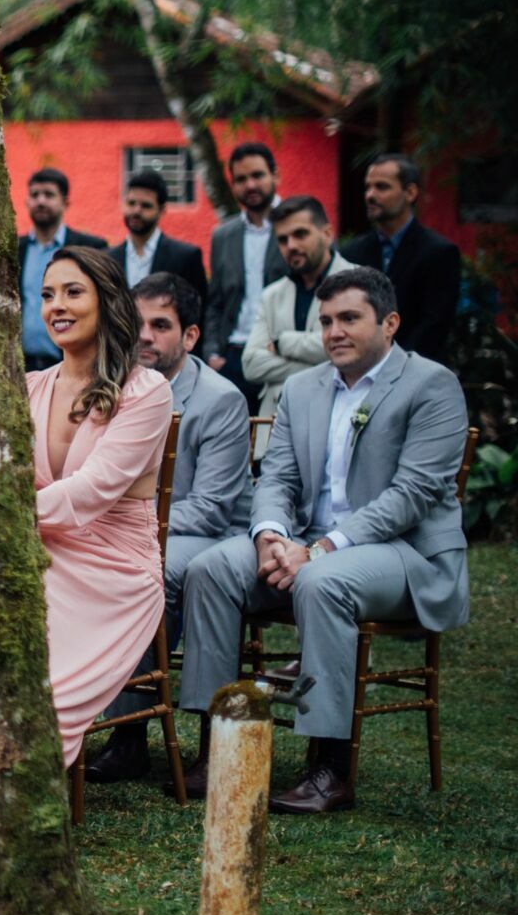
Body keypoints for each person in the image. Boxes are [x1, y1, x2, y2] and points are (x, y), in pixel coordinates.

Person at [177, 267, 470, 814]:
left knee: (321, 581)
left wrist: (321, 548)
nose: (334, 331)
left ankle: (329, 768)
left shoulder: (432, 386)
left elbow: (413, 494)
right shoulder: (302, 387)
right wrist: (269, 536)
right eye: (326, 320)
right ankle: (218, 746)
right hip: (306, 544)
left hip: (407, 554)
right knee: (211, 568)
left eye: (349, 319)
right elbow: (278, 479)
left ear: (390, 323)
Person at [82, 272, 250, 783]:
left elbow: (215, 506)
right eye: (138, 323)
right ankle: (125, 732)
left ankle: (204, 738)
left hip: (206, 537)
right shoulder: (114, 391)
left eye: (161, 324)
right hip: (139, 533)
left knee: (151, 570)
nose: (145, 336)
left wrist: (134, 531)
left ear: (191, 336)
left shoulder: (220, 399)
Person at [25, 246, 174, 774]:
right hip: (37, 551)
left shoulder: (147, 390)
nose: (56, 306)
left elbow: (93, 490)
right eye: (47, 295)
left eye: (72, 292)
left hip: (113, 571)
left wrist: (0, 517)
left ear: (106, 301)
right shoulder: (29, 387)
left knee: (41, 697)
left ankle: (26, 773)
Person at [243, 197, 353, 445]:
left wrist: (283, 343)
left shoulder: (357, 284)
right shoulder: (272, 294)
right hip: (276, 429)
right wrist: (325, 362)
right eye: (283, 239)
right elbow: (250, 363)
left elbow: (356, 351)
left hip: (336, 425)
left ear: (326, 233)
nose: (291, 245)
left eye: (300, 234)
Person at [342, 154, 461, 363]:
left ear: (411, 192)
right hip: (359, 371)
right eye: (367, 187)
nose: (370, 195)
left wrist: (392, 366)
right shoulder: (352, 252)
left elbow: (434, 325)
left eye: (382, 187)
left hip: (416, 372)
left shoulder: (439, 253)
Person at [203, 143, 288, 408]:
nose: (250, 185)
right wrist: (212, 352)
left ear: (275, 175)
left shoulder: (297, 225)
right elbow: (214, 301)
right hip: (233, 356)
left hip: (281, 354)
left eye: (257, 175)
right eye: (241, 179)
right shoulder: (223, 235)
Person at [18, 168, 108, 371]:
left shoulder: (91, 248)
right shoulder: (13, 249)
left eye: (49, 195)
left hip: (74, 365)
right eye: (34, 195)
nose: (40, 201)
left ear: (65, 202)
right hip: (21, 366)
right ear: (26, 202)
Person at [112, 170, 208, 305]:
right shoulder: (108, 258)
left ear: (162, 210)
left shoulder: (185, 257)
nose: (136, 211)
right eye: (131, 203)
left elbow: (199, 310)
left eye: (146, 205)